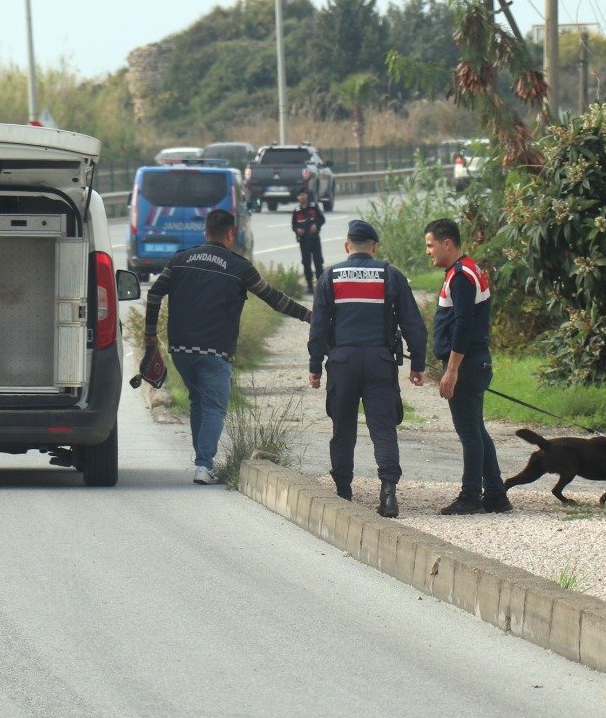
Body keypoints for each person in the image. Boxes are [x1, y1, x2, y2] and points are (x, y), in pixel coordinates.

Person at [144, 209, 311, 484]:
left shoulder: (180, 260)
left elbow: (154, 293)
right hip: (215, 351)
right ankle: (204, 464)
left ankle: (202, 462)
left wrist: (150, 334)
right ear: (231, 233)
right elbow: (273, 298)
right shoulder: (238, 267)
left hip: (181, 350)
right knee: (214, 406)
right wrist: (308, 316)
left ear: (206, 232)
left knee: (199, 400)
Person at [307, 219, 427, 518]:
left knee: (343, 429)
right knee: (383, 429)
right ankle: (388, 493)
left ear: (347, 246)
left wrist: (315, 367)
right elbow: (414, 324)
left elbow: (319, 328)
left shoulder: (330, 277)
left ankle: (343, 492)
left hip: (342, 363)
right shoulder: (390, 275)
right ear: (374, 247)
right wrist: (419, 365)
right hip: (380, 363)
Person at [424, 218, 510, 515]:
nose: (428, 251)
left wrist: (452, 369)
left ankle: (471, 496)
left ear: (446, 243)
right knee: (476, 429)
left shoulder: (461, 276)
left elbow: (463, 324)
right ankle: (496, 494)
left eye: (430, 245)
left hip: (467, 363)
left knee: (469, 431)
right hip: (476, 361)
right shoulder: (468, 268)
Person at [290, 188, 326, 292]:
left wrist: (316, 225)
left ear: (307, 196)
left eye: (303, 195)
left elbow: (322, 219)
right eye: (300, 195)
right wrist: (297, 230)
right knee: (306, 263)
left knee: (318, 262)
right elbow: (293, 225)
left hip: (315, 239)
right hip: (303, 241)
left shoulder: (314, 208)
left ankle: (321, 286)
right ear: (297, 198)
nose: (302, 197)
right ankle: (310, 286)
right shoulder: (296, 212)